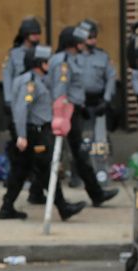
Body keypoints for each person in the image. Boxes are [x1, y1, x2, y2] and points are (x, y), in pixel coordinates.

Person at [0, 46, 86, 221]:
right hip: (34, 133)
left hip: (34, 132)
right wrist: (21, 135)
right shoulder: (30, 83)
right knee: (46, 168)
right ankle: (63, 207)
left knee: (20, 171)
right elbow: (22, 109)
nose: (50, 64)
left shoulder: (36, 80)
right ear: (39, 63)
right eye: (47, 61)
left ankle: (7, 207)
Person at [48, 26, 118, 206]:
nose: (83, 44)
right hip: (64, 114)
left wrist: (81, 106)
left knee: (80, 153)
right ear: (71, 43)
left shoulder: (72, 59)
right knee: (54, 155)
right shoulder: (63, 61)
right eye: (79, 41)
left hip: (74, 111)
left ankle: (96, 194)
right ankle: (93, 194)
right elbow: (60, 92)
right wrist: (62, 117)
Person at [2, 17, 45, 204]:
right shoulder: (14, 54)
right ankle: (13, 193)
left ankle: (36, 190)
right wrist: (9, 102)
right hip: (20, 105)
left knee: (40, 154)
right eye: (33, 33)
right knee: (22, 153)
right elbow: (7, 78)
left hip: (37, 109)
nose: (36, 36)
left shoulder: (42, 52)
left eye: (38, 33)